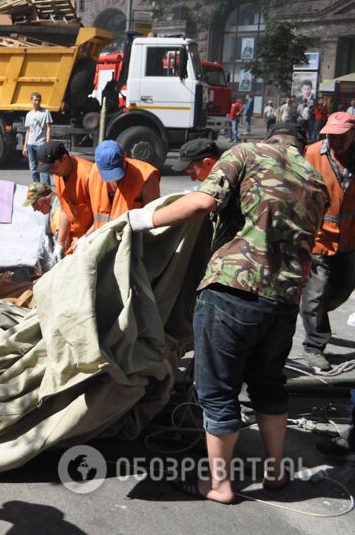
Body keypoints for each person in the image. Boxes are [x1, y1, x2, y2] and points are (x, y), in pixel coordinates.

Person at [125, 122, 328, 504]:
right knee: (269, 386)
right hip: (284, 301)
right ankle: (275, 473)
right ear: (302, 146)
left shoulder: (246, 153)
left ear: (270, 137)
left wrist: (139, 220)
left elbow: (202, 203)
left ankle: (219, 484)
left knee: (218, 392)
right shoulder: (316, 179)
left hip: (232, 292)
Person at [298, 112, 355, 371]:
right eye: (332, 136)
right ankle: (314, 346)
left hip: (349, 239)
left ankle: (315, 313)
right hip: (318, 237)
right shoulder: (312, 154)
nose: (336, 142)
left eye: (342, 137)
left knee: (343, 288)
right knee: (315, 294)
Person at [36, 140, 94, 256]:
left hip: (92, 237)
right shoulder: (59, 175)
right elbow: (65, 210)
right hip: (76, 238)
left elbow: (103, 216)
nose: (52, 172)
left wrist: (87, 238)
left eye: (53, 167)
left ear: (65, 158)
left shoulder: (88, 175)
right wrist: (60, 243)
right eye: (49, 170)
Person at [87, 140, 160, 230]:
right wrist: (86, 236)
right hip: (104, 235)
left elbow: (153, 218)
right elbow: (99, 220)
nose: (113, 179)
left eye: (115, 171)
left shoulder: (146, 176)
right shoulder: (94, 173)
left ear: (125, 157)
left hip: (132, 236)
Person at [23, 92, 53, 184]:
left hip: (41, 144)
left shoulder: (45, 112)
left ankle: (46, 187)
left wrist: (47, 144)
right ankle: (36, 186)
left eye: (39, 100)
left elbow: (48, 128)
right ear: (31, 100)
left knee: (43, 167)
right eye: (35, 100)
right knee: (33, 167)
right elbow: (28, 131)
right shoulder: (29, 114)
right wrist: (25, 146)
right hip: (30, 144)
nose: (37, 102)